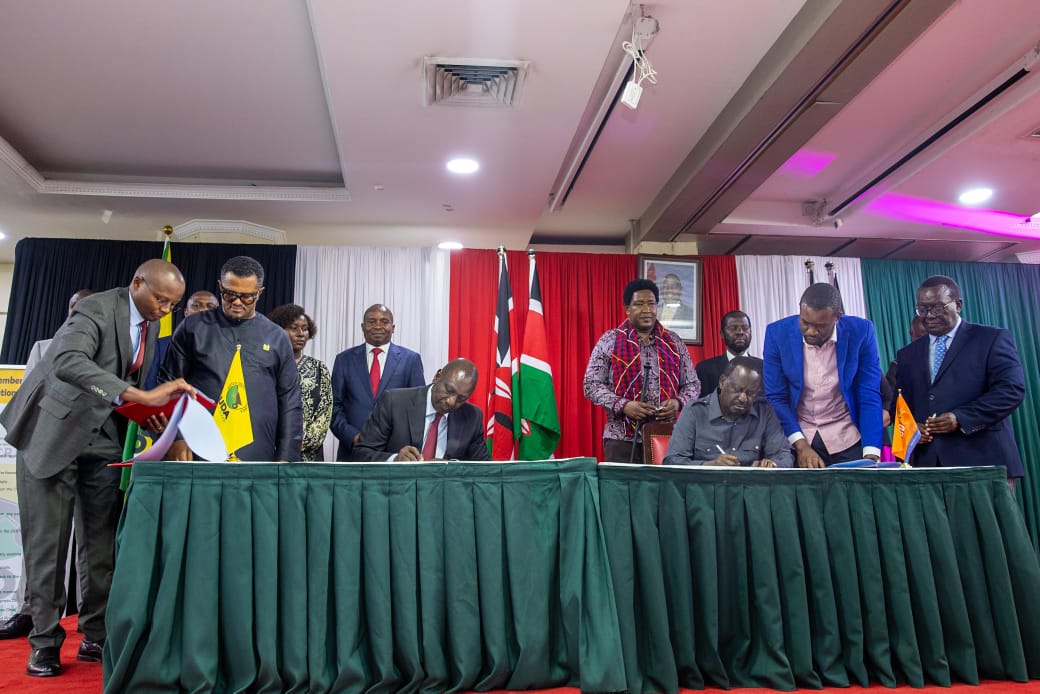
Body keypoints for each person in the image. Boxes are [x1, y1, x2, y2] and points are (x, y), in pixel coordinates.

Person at [0, 260, 195, 677]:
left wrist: (150, 416)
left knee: (101, 544)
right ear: (137, 282)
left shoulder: (150, 324)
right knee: (47, 546)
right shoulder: (95, 309)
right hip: (51, 434)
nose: (165, 309)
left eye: (173, 304)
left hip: (104, 439)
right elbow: (68, 361)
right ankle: (45, 643)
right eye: (160, 298)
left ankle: (95, 635)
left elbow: (126, 386)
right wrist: (139, 393)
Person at [0, 289, 95, 642]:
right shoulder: (42, 346)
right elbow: (26, 401)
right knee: (43, 543)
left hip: (92, 454)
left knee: (93, 544)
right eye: (75, 308)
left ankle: (91, 621)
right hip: (46, 453)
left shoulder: (110, 350)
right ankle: (30, 612)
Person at [162, 256, 302, 462]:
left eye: (247, 297)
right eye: (229, 294)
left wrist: (286, 457)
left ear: (260, 293)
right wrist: (176, 439)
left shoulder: (276, 337)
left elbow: (290, 400)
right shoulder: (193, 328)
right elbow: (168, 386)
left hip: (257, 455)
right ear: (220, 286)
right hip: (196, 451)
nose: (236, 302)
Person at [894, 275, 1025, 481]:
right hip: (929, 466)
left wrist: (961, 418)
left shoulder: (990, 339)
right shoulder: (907, 354)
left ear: (958, 304)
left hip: (984, 461)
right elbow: (900, 403)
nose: (929, 316)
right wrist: (912, 427)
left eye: (937, 308)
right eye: (922, 310)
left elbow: (1011, 391)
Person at [763, 282, 883, 467]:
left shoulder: (861, 331)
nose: (811, 331)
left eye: (820, 326)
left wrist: (871, 454)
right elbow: (776, 397)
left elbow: (868, 394)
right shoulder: (777, 334)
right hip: (797, 435)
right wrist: (801, 445)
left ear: (837, 318)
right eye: (805, 322)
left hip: (846, 435)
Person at [584, 278, 700, 463]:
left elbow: (693, 384)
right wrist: (623, 405)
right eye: (639, 304)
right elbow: (591, 385)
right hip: (621, 438)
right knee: (622, 492)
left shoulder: (674, 342)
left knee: (663, 491)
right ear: (627, 309)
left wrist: (678, 402)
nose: (647, 309)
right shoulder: (610, 340)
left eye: (651, 304)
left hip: (666, 437)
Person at [330, 304, 425, 460]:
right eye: (371, 321)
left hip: (396, 454)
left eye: (384, 321)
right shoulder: (344, 360)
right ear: (362, 326)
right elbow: (333, 407)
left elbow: (417, 407)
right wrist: (352, 436)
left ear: (393, 327)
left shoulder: (411, 360)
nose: (378, 326)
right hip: (352, 452)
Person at [663, 357, 792, 467]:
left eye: (750, 393)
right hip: (707, 490)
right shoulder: (695, 412)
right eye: (737, 389)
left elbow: (784, 456)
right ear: (722, 382)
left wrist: (772, 464)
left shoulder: (764, 413)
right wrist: (709, 465)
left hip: (750, 490)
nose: (743, 398)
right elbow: (672, 460)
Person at [352, 358, 489, 462]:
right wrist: (394, 459)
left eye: (461, 399)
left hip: (444, 495)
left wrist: (451, 467)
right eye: (449, 390)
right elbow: (361, 453)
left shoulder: (472, 416)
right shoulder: (394, 402)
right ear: (438, 376)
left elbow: (483, 468)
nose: (451, 402)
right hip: (398, 492)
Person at [268, 304, 332, 461]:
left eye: (305, 329)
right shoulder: (267, 365)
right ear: (279, 330)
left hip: (307, 455)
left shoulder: (319, 368)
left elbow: (325, 412)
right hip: (270, 450)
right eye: (293, 328)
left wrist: (296, 442)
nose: (300, 334)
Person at [695, 310, 762, 395]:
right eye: (733, 328)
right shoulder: (705, 369)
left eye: (745, 328)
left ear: (751, 332)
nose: (740, 332)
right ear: (722, 334)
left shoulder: (764, 368)